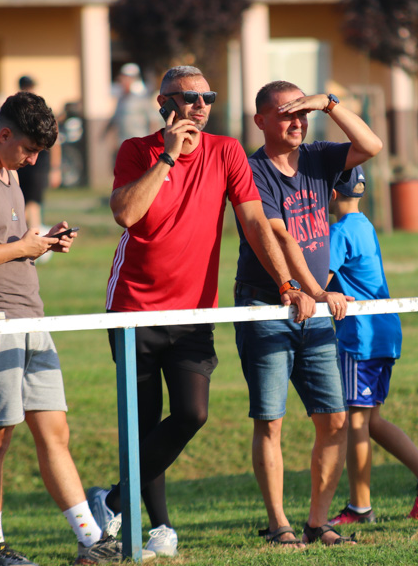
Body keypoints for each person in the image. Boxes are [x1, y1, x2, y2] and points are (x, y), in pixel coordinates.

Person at [87, 66, 316, 557]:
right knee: (143, 426)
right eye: (189, 99)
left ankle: (110, 501)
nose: (200, 107)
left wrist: (287, 281)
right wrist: (169, 155)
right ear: (163, 104)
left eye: (207, 97)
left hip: (193, 311)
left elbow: (254, 220)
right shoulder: (136, 150)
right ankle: (161, 528)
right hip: (134, 308)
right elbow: (126, 213)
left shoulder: (227, 150)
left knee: (192, 412)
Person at [0, 91, 134, 566]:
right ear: (4, 133)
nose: (33, 160)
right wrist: (23, 249)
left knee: (55, 431)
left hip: (31, 317)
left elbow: (9, 245)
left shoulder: (12, 174)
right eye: (29, 150)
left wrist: (41, 245)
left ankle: (90, 540)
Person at [233, 80, 382, 547]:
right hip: (266, 304)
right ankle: (279, 524)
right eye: (285, 114)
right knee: (270, 420)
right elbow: (279, 236)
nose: (297, 122)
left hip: (314, 306)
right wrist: (315, 290)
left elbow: (371, 146)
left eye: (302, 113)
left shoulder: (318, 155)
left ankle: (320, 524)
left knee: (333, 419)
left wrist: (332, 104)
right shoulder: (253, 170)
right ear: (260, 120)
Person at [325, 166, 418, 526]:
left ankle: (360, 507)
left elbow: (316, 279)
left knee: (356, 420)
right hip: (384, 332)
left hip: (360, 337)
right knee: (370, 419)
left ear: (331, 195)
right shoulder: (364, 225)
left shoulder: (339, 231)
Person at [16, 76, 62, 243]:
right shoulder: (15, 112)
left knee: (33, 202)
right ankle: (31, 237)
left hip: (39, 165)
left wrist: (55, 169)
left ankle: (34, 237)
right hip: (20, 165)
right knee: (22, 201)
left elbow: (56, 142)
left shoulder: (44, 113)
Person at [104, 63, 154, 150]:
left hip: (139, 144)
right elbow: (116, 118)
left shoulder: (142, 99)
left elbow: (153, 120)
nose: (123, 82)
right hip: (123, 143)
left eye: (126, 79)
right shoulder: (121, 100)